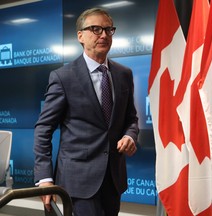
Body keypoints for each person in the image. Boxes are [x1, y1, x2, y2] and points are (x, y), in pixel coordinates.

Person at [33, 8, 139, 216]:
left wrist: (130, 135)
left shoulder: (123, 74)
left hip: (113, 179)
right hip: (78, 181)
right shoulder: (63, 77)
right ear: (80, 35)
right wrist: (44, 178)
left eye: (109, 30)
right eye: (95, 29)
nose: (104, 35)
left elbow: (131, 119)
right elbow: (43, 128)